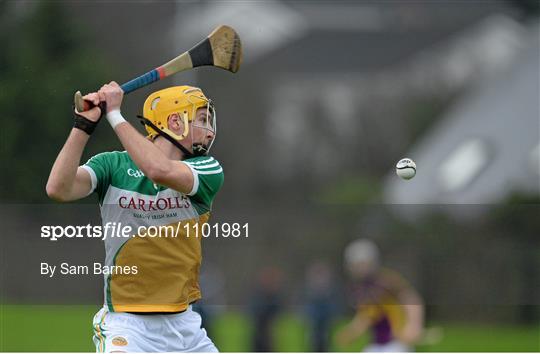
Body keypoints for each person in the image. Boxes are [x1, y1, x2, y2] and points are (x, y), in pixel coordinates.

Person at [46, 82, 224, 352]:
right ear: (175, 121)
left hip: (185, 326)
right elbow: (58, 188)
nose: (209, 132)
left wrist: (114, 114)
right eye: (202, 119)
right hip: (127, 324)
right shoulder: (111, 166)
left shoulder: (206, 169)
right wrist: (82, 126)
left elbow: (158, 169)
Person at [336, 239, 424, 352]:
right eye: (356, 265)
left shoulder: (386, 281)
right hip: (376, 345)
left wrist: (413, 325)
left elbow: (411, 299)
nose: (360, 268)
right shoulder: (359, 289)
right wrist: (352, 332)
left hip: (396, 342)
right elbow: (366, 316)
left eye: (363, 263)